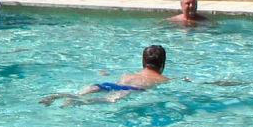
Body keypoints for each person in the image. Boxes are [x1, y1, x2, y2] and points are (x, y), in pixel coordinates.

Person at [41, 44, 169, 105]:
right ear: (163, 64)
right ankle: (75, 102)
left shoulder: (130, 74)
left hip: (109, 85)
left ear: (143, 61)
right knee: (107, 100)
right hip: (131, 90)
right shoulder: (162, 79)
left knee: (80, 93)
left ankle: (57, 96)